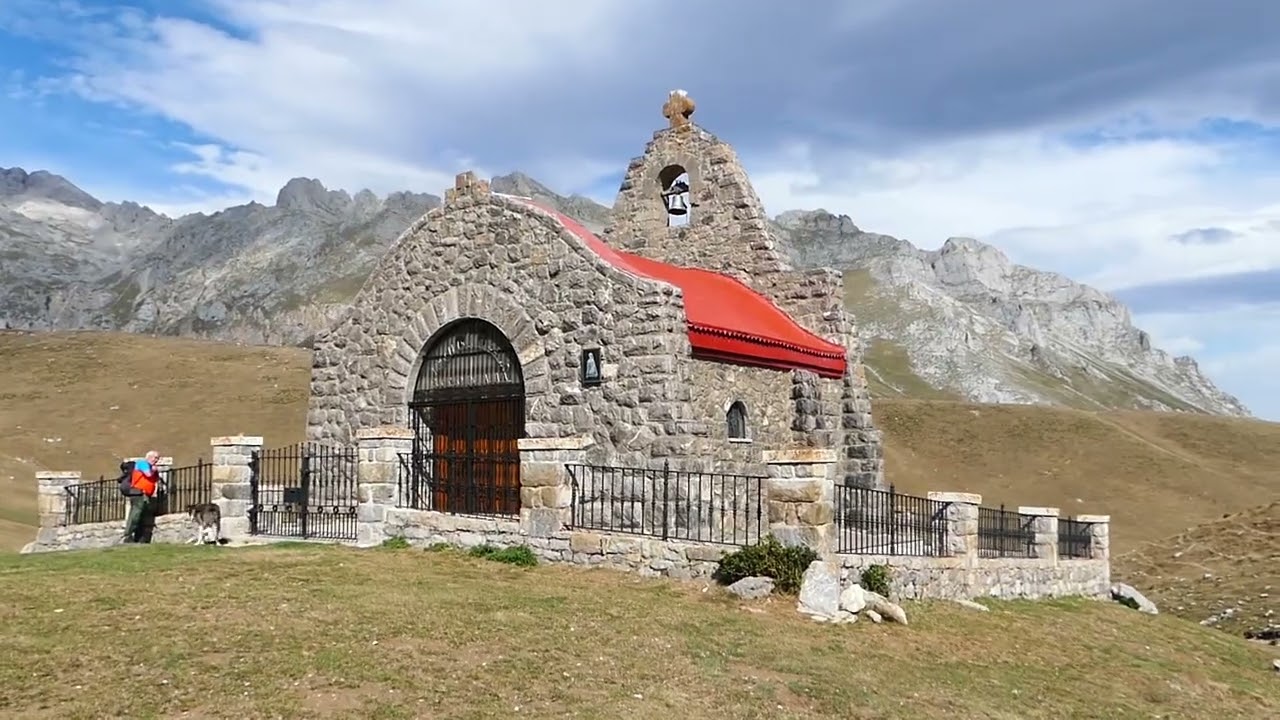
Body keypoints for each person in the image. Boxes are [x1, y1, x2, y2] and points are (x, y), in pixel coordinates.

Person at [123, 450, 163, 544]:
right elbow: (148, 474)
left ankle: (139, 537)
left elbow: (155, 479)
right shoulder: (142, 463)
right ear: (149, 457)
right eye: (155, 458)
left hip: (146, 494)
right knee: (136, 514)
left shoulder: (150, 467)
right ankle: (128, 536)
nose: (156, 460)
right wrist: (154, 470)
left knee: (142, 516)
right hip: (139, 493)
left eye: (157, 458)